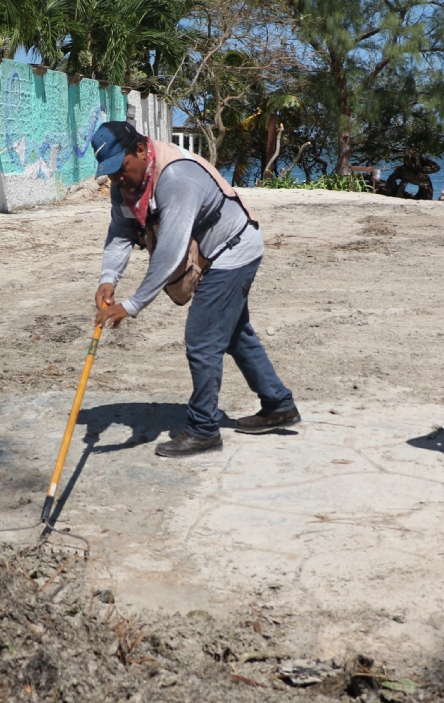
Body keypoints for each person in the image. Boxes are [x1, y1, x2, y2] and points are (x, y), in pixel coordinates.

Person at [91, 121, 299, 456]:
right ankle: (279, 404)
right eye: (110, 174)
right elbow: (120, 233)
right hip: (210, 252)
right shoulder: (125, 186)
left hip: (232, 249)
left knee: (203, 339)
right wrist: (107, 278)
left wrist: (130, 306)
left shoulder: (175, 177)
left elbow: (170, 253)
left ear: (141, 150)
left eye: (120, 169)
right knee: (233, 332)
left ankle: (204, 429)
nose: (117, 180)